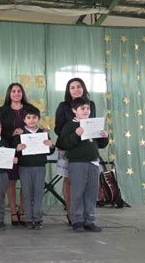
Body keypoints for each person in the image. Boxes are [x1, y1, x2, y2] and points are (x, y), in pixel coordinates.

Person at [57, 97, 108, 232]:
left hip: (93, 162)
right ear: (74, 110)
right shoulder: (70, 125)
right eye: (82, 108)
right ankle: (77, 220)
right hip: (77, 163)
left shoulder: (93, 124)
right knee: (77, 192)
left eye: (88, 108)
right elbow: (63, 144)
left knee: (91, 192)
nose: (86, 111)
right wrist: (76, 134)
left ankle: (89, 220)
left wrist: (104, 136)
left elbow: (101, 145)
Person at [54, 77, 96, 225]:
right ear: (68, 90)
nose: (76, 89)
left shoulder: (90, 104)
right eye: (72, 87)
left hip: (86, 147)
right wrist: (71, 135)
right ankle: (72, 213)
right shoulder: (63, 106)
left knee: (87, 182)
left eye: (79, 86)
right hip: (69, 146)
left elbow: (93, 124)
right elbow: (57, 127)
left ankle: (86, 215)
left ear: (83, 88)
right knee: (68, 179)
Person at [0, 82, 34, 226]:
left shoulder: (31, 109)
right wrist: (12, 132)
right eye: (13, 91)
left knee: (25, 182)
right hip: (10, 149)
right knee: (11, 181)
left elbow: (35, 125)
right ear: (9, 94)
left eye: (19, 91)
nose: (16, 93)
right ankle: (13, 212)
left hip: (27, 150)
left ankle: (23, 211)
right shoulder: (3, 110)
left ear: (22, 93)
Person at [13, 106, 55, 230]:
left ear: (39, 119)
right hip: (24, 167)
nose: (31, 120)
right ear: (24, 120)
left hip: (40, 167)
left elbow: (49, 151)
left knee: (38, 193)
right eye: (28, 118)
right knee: (26, 193)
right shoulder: (20, 134)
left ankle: (37, 219)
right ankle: (28, 219)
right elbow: (13, 152)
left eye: (34, 117)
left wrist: (50, 145)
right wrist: (17, 149)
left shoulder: (44, 133)